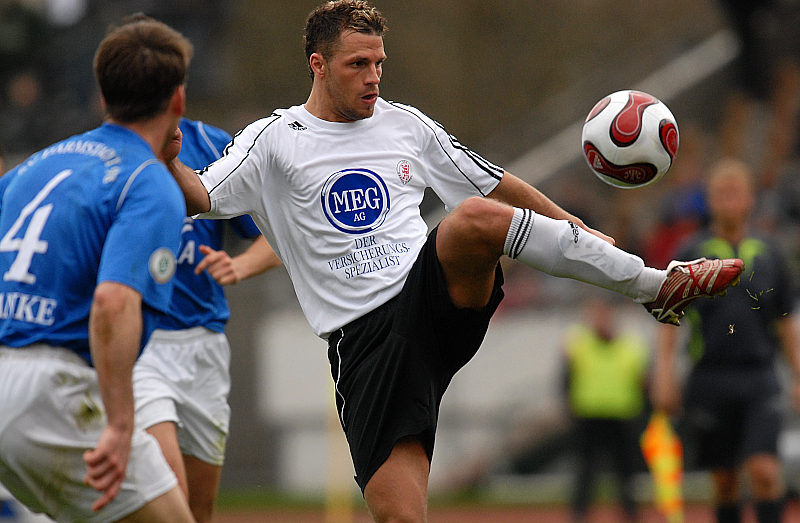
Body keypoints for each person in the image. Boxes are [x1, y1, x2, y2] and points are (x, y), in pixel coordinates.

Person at [162, 1, 744, 520]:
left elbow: (491, 185)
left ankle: (655, 287)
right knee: (398, 514)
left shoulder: (406, 124)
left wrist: (574, 224)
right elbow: (202, 197)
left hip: (432, 297)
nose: (373, 78)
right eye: (357, 65)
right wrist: (157, 147)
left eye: (379, 63)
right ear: (317, 64)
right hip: (365, 344)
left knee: (469, 220)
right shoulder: (273, 140)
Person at [0, 17, 195, 523]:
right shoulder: (148, 183)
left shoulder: (30, 169)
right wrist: (122, 424)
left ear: (103, 95)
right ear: (177, 99)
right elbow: (113, 303)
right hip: (54, 392)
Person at [134, 115, 282, 523]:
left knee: (198, 511)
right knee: (168, 497)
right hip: (140, 344)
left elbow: (275, 233)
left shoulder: (209, 143)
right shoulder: (104, 152)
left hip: (204, 346)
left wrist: (240, 266)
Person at [651, 158, 800, 523]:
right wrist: (664, 374)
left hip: (759, 378)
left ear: (751, 198)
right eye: (721, 193)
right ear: (710, 200)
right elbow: (670, 319)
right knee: (725, 481)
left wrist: (798, 375)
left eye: (737, 193)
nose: (730, 200)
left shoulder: (770, 252)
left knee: (765, 471)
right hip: (709, 378)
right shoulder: (691, 252)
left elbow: (786, 321)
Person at [561, 296, 649, 523]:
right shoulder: (577, 344)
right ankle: (579, 514)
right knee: (585, 472)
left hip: (622, 416)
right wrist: (568, 407)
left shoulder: (631, 347)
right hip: (588, 415)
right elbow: (566, 379)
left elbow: (643, 383)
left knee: (626, 472)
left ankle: (630, 514)